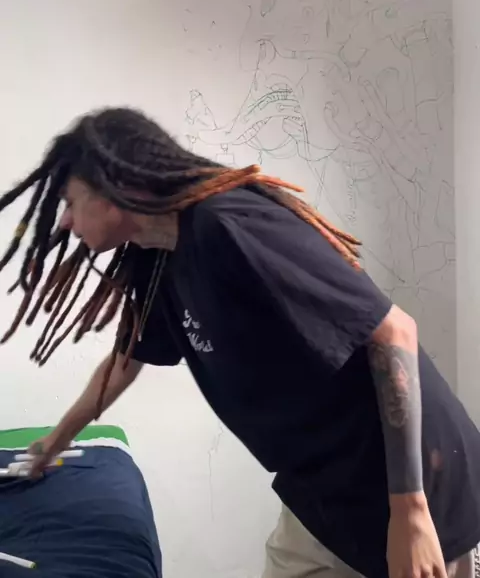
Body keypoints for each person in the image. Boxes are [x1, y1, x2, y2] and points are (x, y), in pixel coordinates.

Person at [0, 107, 478, 578]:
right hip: (319, 484)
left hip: (410, 483)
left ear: (117, 189)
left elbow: (395, 332)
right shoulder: (156, 256)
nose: (65, 221)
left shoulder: (229, 226)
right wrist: (55, 441)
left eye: (70, 201)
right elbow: (127, 358)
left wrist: (411, 509)